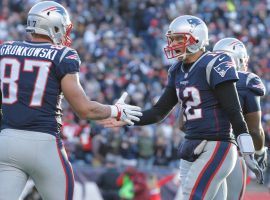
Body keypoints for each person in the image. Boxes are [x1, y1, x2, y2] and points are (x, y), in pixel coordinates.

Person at [99, 15, 264, 199]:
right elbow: (158, 112)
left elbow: (234, 110)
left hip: (217, 145)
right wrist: (126, 117)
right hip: (190, 145)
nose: (174, 43)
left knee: (191, 196)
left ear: (197, 38)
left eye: (180, 38)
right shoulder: (177, 70)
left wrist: (248, 148)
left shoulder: (214, 63)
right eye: (172, 39)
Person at [0, 1, 142, 200]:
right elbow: (84, 110)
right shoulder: (62, 55)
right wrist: (115, 110)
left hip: (6, 142)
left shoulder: (6, 49)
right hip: (43, 143)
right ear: (54, 26)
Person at [213, 37, 267, 200]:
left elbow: (182, 125)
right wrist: (259, 151)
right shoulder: (246, 80)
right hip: (230, 152)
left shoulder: (198, 77)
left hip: (197, 149)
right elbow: (254, 130)